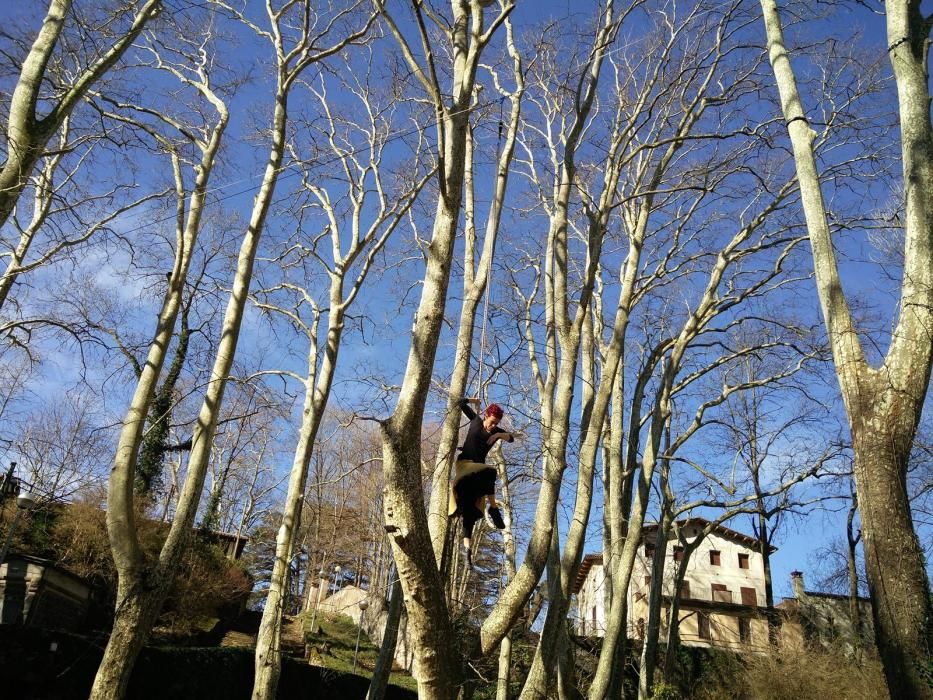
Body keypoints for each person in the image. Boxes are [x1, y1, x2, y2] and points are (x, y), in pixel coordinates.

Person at [448, 397, 515, 567]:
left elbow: (512, 438)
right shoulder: (476, 421)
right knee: (490, 471)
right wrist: (473, 401)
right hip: (465, 465)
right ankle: (493, 509)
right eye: (492, 422)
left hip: (477, 472)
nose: (492, 426)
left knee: (470, 514)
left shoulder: (495, 431)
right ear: (486, 416)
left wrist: (499, 434)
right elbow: (461, 403)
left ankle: (467, 552)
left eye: (496, 424)